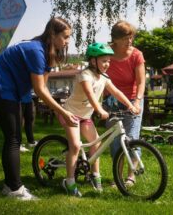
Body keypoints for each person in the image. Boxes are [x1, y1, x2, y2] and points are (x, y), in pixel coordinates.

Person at [0, 17, 76, 201]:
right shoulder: (35, 50)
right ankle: (15, 189)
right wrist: (63, 111)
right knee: (14, 139)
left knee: (14, 137)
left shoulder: (46, 52)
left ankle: (10, 186)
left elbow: (44, 86)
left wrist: (57, 108)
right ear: (53, 34)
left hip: (11, 92)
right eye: (65, 36)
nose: (68, 41)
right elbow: (40, 90)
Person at [59, 42, 139, 197]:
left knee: (97, 143)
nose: (107, 64)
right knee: (75, 146)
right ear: (92, 61)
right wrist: (99, 109)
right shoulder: (85, 75)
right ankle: (69, 182)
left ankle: (96, 175)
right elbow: (89, 93)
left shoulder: (104, 77)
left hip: (85, 117)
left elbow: (115, 91)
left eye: (109, 61)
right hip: (70, 113)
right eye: (104, 61)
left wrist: (130, 105)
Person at [105, 20, 145, 186]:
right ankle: (118, 177)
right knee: (115, 142)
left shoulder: (136, 55)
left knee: (131, 138)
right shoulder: (106, 53)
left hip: (132, 99)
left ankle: (131, 176)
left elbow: (141, 82)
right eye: (125, 38)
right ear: (115, 39)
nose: (130, 41)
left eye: (131, 37)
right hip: (112, 101)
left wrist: (137, 102)